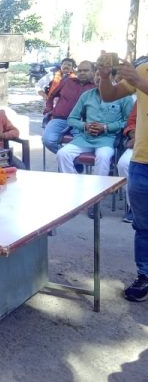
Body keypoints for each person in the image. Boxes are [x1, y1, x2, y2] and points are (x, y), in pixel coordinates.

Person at [96, 54, 148, 302]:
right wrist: (105, 76)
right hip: (141, 161)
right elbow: (109, 96)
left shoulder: (141, 75)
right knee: (143, 225)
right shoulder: (144, 69)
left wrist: (139, 81)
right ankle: (144, 275)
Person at [57, 70, 133, 217]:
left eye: (105, 75)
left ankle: (95, 201)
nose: (100, 78)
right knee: (62, 154)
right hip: (85, 137)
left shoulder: (124, 97)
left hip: (108, 139)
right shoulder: (87, 95)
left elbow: (128, 122)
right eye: (98, 75)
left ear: (113, 77)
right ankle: (77, 193)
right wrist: (85, 125)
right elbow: (72, 119)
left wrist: (106, 127)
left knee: (103, 157)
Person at [42, 60, 96, 154]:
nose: (82, 73)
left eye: (86, 70)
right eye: (80, 70)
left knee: (83, 144)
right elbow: (51, 96)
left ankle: (69, 157)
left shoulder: (96, 87)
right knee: (48, 140)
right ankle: (70, 159)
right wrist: (49, 109)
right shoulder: (67, 81)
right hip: (60, 119)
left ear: (93, 72)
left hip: (81, 123)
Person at [117, 104, 137, 223]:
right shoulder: (143, 98)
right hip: (140, 142)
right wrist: (134, 135)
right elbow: (131, 123)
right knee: (123, 164)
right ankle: (133, 206)